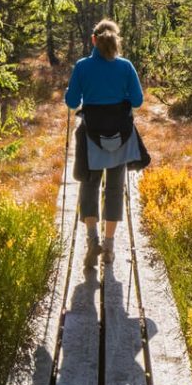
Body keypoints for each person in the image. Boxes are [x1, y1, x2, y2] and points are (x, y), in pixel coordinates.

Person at [64, 18, 147, 270]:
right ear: (115, 40)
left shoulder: (82, 66)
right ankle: (109, 248)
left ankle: (92, 241)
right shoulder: (125, 66)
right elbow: (137, 101)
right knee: (114, 190)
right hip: (120, 138)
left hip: (91, 138)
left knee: (89, 188)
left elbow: (71, 101)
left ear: (93, 40)